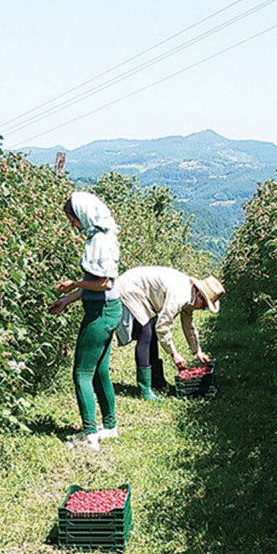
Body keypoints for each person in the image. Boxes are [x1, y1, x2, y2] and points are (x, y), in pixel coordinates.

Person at [48, 191, 122, 450]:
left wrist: (74, 284)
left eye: (73, 219)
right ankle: (110, 426)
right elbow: (96, 284)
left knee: (81, 373)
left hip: (100, 312)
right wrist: (67, 300)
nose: (73, 225)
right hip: (109, 309)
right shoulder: (104, 235)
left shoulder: (99, 242)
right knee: (100, 370)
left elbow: (103, 283)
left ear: (83, 215)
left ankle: (89, 435)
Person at [115, 266, 224, 400]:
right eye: (204, 305)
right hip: (130, 287)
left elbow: (188, 325)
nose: (202, 309)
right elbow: (163, 326)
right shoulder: (181, 295)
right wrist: (174, 353)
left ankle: (157, 381)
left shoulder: (191, 295)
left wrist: (197, 350)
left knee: (151, 332)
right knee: (146, 332)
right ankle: (145, 389)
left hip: (141, 291)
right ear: (199, 296)